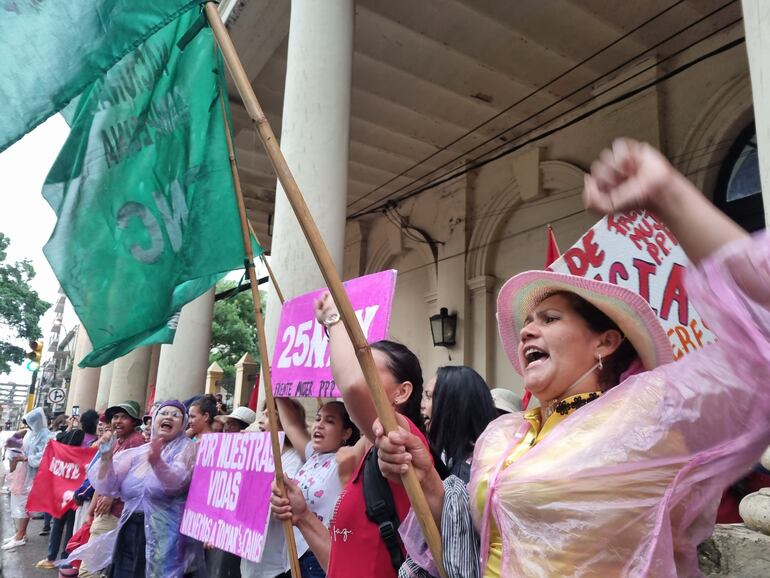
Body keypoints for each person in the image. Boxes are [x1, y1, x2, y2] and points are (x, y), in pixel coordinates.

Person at [374, 138, 770, 577]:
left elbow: (764, 341)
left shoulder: (649, 415)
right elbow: (469, 547)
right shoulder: (500, 437)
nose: (527, 328)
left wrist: (670, 195)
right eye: (527, 321)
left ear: (605, 342)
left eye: (549, 317)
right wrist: (425, 475)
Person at [271, 324, 428, 578]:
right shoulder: (365, 455)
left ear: (402, 393)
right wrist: (302, 516)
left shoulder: (401, 438)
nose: (358, 378)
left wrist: (333, 321)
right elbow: (340, 559)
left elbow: (353, 388)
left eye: (369, 371)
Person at [66, 400, 200, 578]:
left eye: (175, 415)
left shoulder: (188, 449)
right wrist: (106, 457)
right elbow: (108, 485)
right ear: (154, 420)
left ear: (183, 424)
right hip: (130, 529)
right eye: (164, 413)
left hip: (165, 535)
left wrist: (158, 463)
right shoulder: (139, 453)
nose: (168, 417)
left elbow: (176, 483)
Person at [273, 397, 360, 577]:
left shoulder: (348, 460)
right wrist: (278, 387)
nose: (319, 425)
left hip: (317, 562)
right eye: (318, 418)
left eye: (329, 421)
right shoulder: (312, 454)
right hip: (293, 557)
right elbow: (291, 426)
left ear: (346, 433)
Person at [77, 401, 145, 578]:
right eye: (115, 417)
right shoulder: (116, 441)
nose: (118, 421)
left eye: (124, 417)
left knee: (87, 572)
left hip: (116, 512)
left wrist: (111, 496)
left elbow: (134, 480)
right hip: (106, 511)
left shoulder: (136, 442)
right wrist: (92, 510)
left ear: (134, 422)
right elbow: (104, 479)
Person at [241, 400, 306, 578]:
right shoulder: (255, 457)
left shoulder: (295, 461)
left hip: (275, 566)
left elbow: (276, 503)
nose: (261, 421)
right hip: (249, 561)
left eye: (269, 415)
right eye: (263, 414)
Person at [35, 410, 101, 569]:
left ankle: (53, 557)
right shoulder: (94, 441)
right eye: (98, 422)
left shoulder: (80, 437)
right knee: (70, 526)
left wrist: (71, 426)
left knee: (60, 523)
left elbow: (58, 442)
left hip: (67, 490)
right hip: (79, 492)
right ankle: (65, 558)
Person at [425, 366, 496, 482]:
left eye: (429, 397)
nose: (423, 406)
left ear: (451, 405)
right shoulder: (458, 457)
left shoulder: (469, 472)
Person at [2, 407, 49, 550]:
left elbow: (43, 456)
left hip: (34, 474)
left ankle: (20, 536)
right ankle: (21, 533)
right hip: (25, 471)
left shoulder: (46, 435)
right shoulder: (31, 433)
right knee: (20, 502)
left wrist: (26, 458)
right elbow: (14, 441)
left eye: (30, 422)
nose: (28, 426)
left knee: (24, 504)